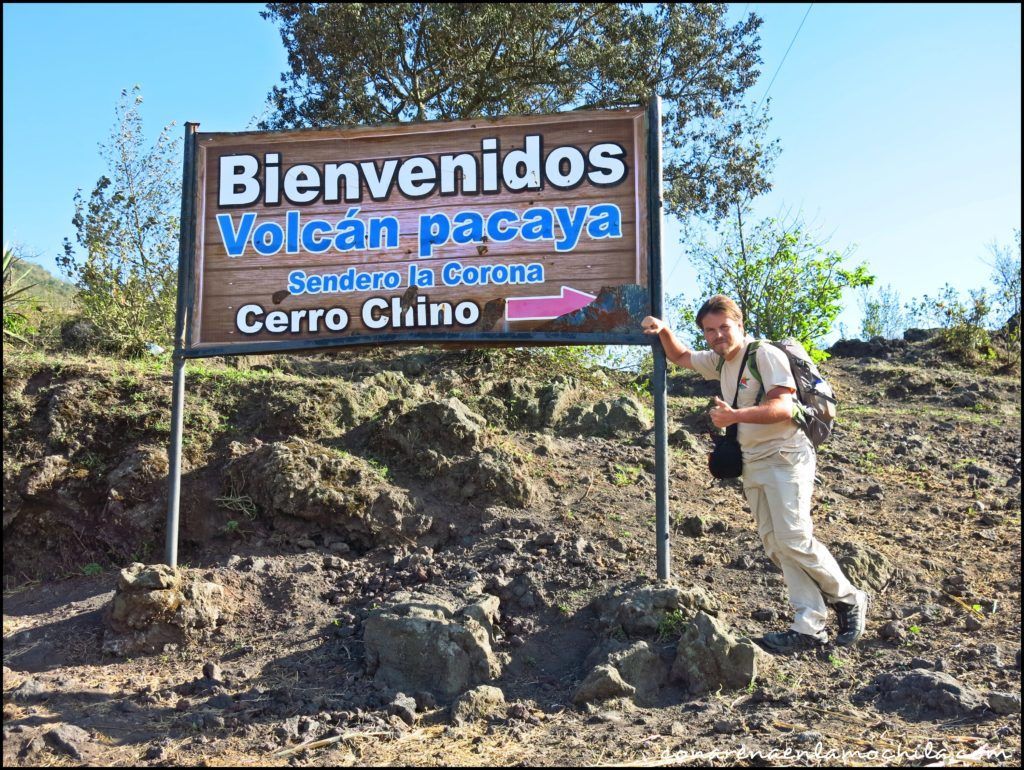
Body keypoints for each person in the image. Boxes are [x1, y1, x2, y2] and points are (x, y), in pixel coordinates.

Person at [642, 295, 868, 653]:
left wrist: (734, 417)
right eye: (710, 330)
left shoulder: (763, 355)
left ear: (740, 325)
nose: (717, 336)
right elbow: (681, 357)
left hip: (785, 456)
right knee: (777, 544)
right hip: (754, 461)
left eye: (724, 327)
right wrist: (666, 330)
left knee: (793, 537)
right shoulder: (721, 360)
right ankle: (809, 625)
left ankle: (849, 596)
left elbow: (783, 407)